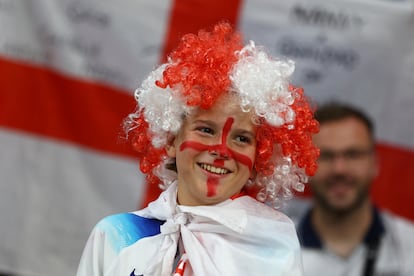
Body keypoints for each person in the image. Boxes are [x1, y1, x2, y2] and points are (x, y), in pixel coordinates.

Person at [76, 22, 319, 276]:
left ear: (260, 155)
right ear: (171, 140)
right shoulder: (115, 234)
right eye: (205, 130)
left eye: (242, 139)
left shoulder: (272, 245)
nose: (221, 150)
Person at [295, 102, 414, 276]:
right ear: (305, 165)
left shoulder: (410, 248)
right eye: (325, 156)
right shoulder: (276, 248)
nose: (339, 169)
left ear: (374, 163)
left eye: (352, 155)